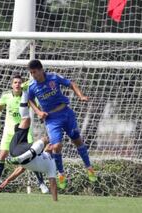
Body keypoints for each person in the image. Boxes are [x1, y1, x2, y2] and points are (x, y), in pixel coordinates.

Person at [27, 59, 97, 189]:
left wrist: (80, 96)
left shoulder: (54, 77)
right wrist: (38, 111)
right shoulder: (32, 86)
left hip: (66, 113)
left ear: (41, 70)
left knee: (77, 140)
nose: (33, 75)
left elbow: (71, 84)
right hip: (52, 119)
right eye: (31, 73)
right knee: (56, 146)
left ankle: (89, 167)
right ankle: (61, 173)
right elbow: (29, 99)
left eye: (34, 72)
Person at [0, 75, 48, 194]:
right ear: (12, 84)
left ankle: (41, 184)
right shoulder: (6, 96)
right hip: (9, 131)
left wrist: (40, 114)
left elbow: (36, 106)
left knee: (33, 155)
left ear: (22, 85)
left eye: (19, 82)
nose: (17, 84)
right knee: (2, 156)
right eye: (15, 82)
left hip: (25, 131)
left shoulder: (27, 97)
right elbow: (0, 106)